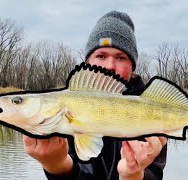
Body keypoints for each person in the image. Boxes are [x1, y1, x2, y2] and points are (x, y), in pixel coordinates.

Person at [23, 10, 167, 180]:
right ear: (88, 62)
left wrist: (132, 174)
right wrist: (57, 166)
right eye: (101, 56)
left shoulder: (151, 107)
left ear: (132, 66)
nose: (109, 66)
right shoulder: (65, 108)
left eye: (120, 58)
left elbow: (154, 174)